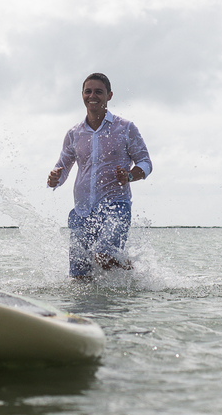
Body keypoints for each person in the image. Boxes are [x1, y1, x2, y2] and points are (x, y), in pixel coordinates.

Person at [47, 73, 151, 278]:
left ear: (109, 95)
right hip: (82, 212)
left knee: (103, 256)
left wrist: (129, 176)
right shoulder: (74, 133)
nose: (92, 96)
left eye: (98, 92)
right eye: (88, 91)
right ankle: (88, 311)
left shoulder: (125, 128)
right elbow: (63, 167)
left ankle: (136, 277)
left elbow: (145, 163)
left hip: (116, 208)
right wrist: (54, 178)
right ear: (82, 95)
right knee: (79, 276)